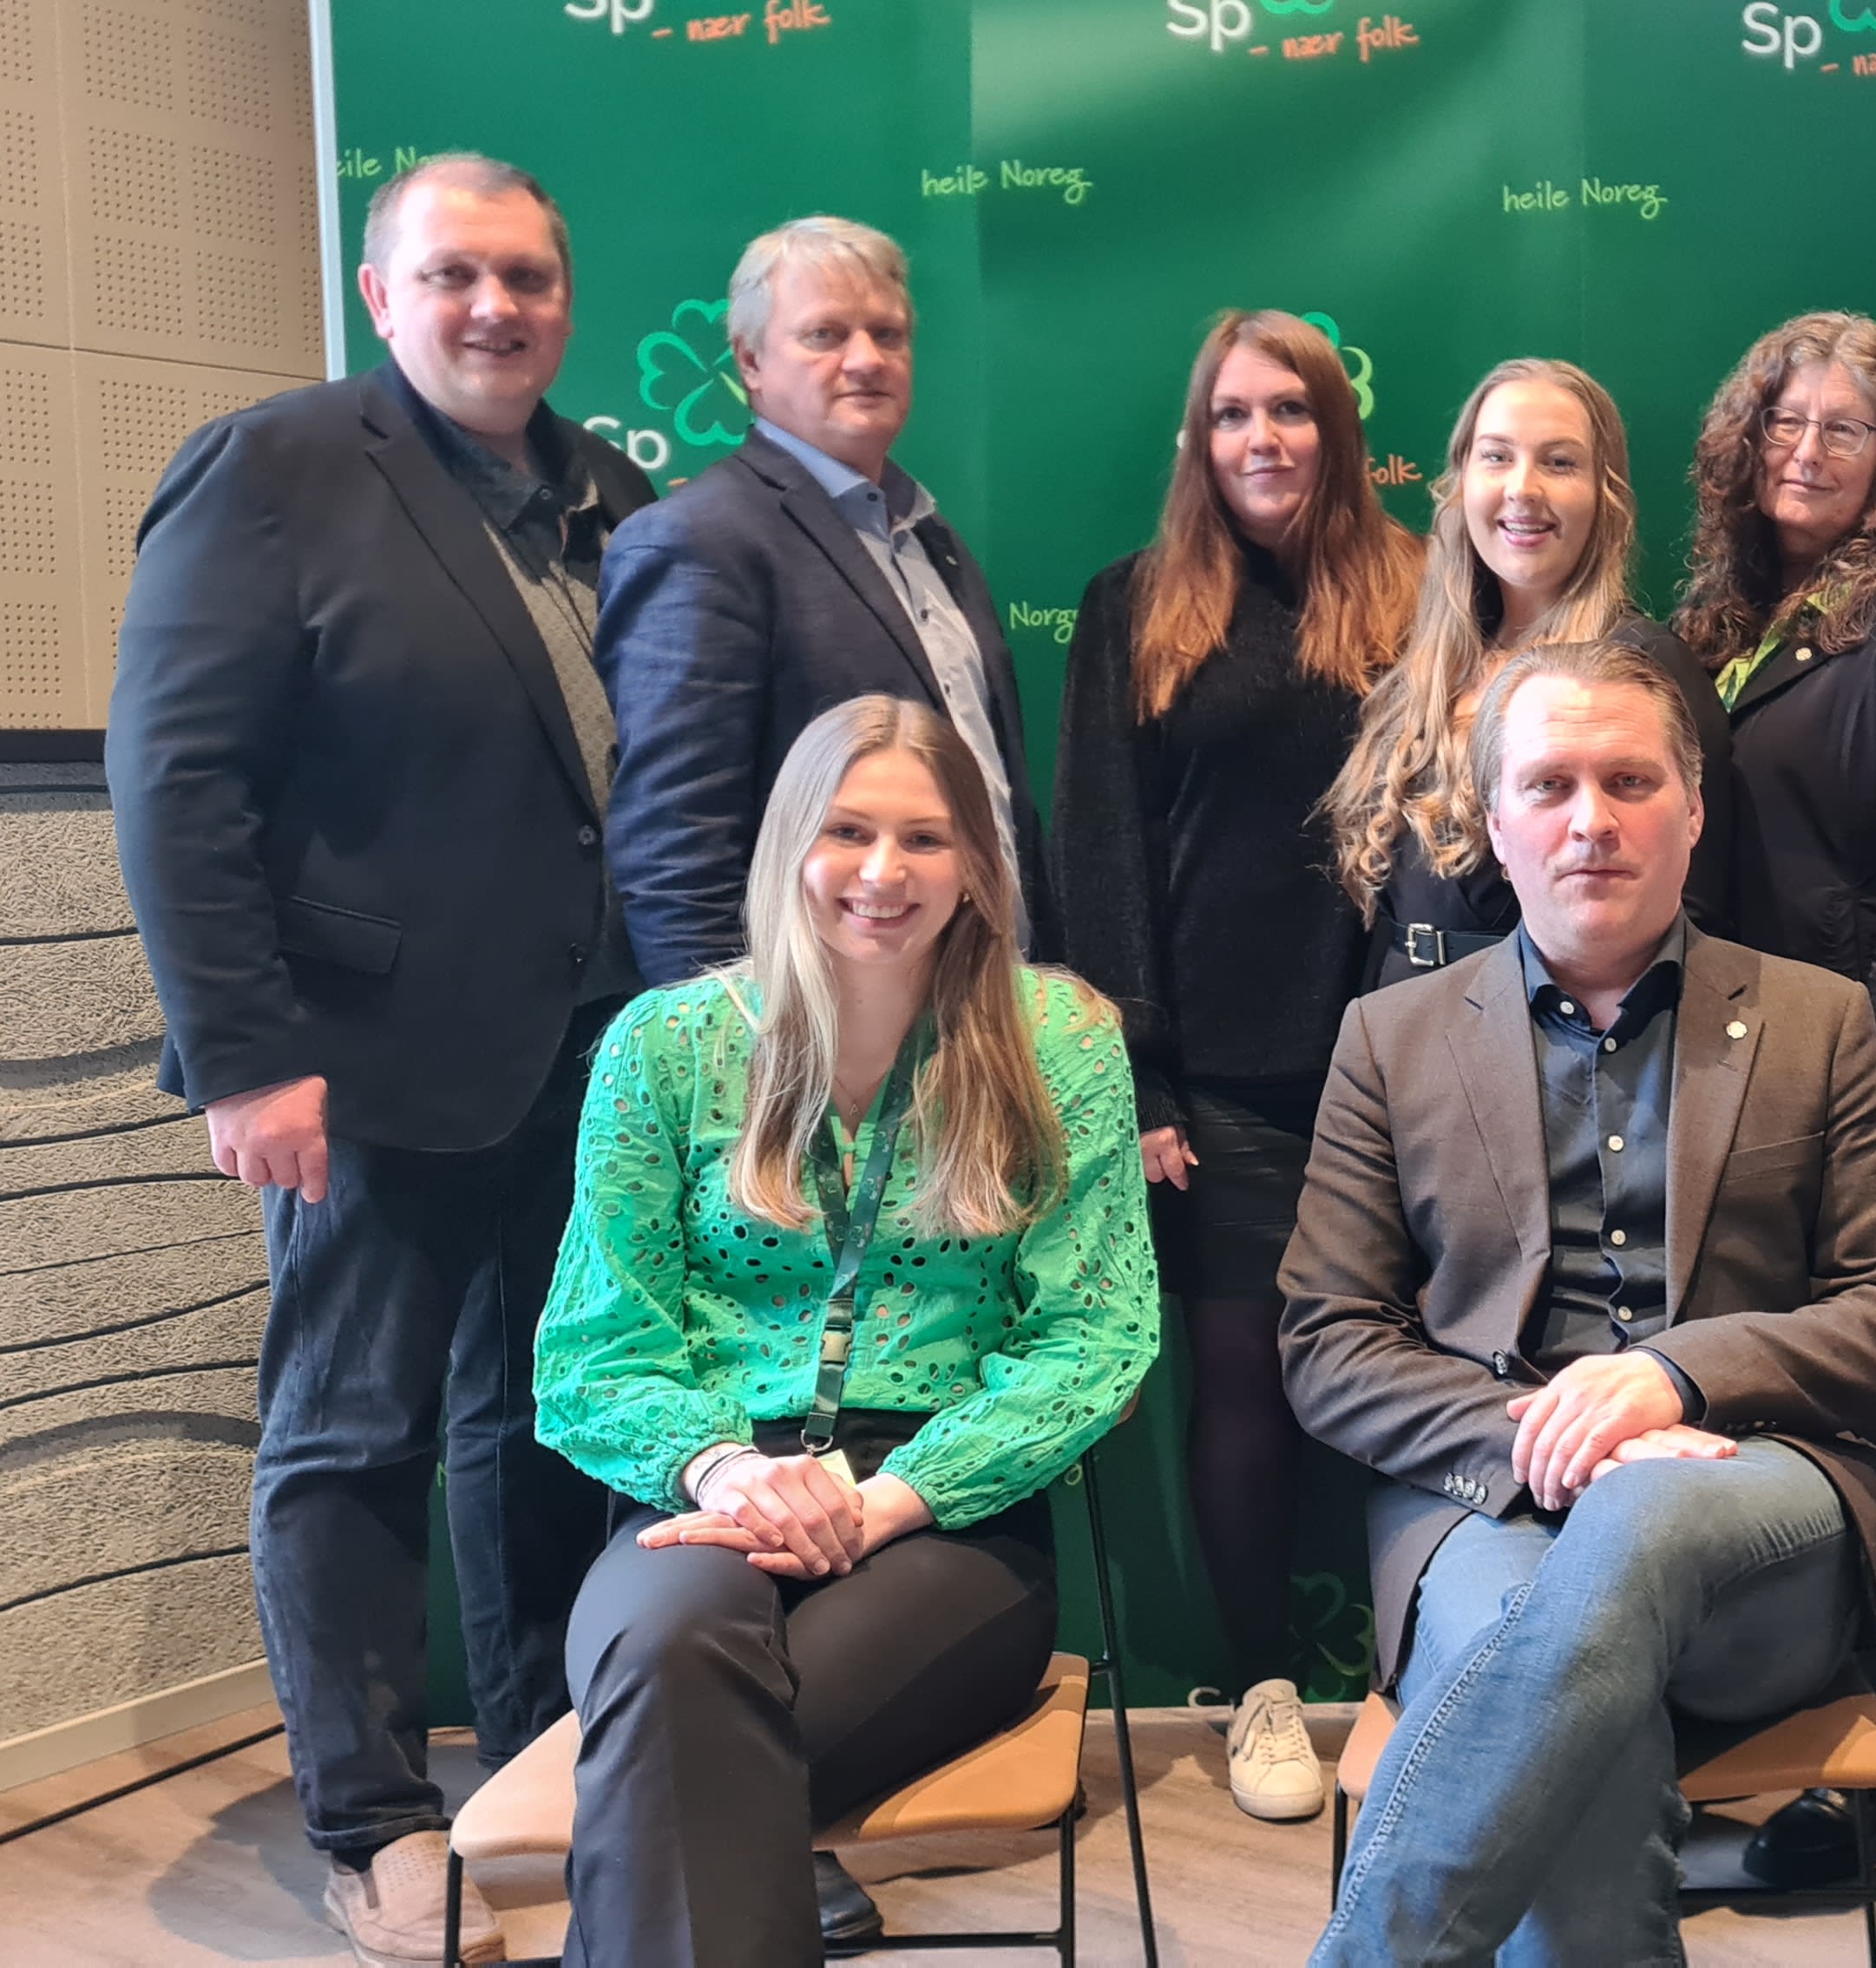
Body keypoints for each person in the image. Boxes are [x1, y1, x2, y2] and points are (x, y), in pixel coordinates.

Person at [106, 152, 647, 1964]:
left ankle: (537, 1759)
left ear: (564, 297)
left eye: (527, 277)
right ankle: (372, 1819)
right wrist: (245, 1057)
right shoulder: (272, 470)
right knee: (352, 1435)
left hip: (588, 1053)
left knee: (546, 1424)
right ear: (379, 292)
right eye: (454, 275)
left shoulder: (611, 493)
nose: (494, 308)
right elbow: (175, 778)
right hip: (355, 1065)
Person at [1284, 640, 1876, 1963]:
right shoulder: (1391, 1039)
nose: (1590, 819)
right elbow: (1329, 1344)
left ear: (1693, 812)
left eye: (1629, 781)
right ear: (1495, 822)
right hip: (1490, 1511)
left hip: (1752, 1508)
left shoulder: (1821, 1022)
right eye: (1550, 784)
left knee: (1633, 1531)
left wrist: (1675, 1379)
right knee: (1571, 1701)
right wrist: (1551, 1439)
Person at [535, 695, 1157, 1965]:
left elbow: (1094, 1340)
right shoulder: (662, 1047)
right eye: (849, 831)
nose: (884, 872)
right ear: (790, 848)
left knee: (674, 1751)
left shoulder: (1061, 1042)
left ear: (977, 862)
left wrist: (877, 1504)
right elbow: (595, 1351)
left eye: (925, 838)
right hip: (711, 1485)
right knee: (670, 1660)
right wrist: (735, 1473)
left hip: (946, 1507)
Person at [1048, 307, 1421, 1820]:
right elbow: (1097, 850)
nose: (1262, 438)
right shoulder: (1134, 603)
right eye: (1232, 414)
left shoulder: (1424, 591)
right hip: (1217, 1084)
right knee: (1246, 1386)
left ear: (1339, 430)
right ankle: (1262, 1682)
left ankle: (1425, 1678)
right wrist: (1137, 1084)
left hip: (1410, 1067)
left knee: (1431, 1379)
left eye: (1292, 409)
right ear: (1198, 440)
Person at [1671, 309, 1876, 1873]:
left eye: (1844, 430)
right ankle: (1780, 1747)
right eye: (1784, 423)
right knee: (1770, 1425)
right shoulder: (1718, 623)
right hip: (1737, 1084)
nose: (1807, 450)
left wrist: (1869, 1082)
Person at [597, 216, 1053, 987]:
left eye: (888, 334)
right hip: (817, 1022)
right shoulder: (698, 542)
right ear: (750, 361)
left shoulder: (929, 537)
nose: (866, 360)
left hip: (979, 1000)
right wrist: (728, 1040)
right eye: (825, 335)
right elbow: (676, 846)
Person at [1322, 358, 1736, 987]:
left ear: (1605, 496)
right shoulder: (1427, 667)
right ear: (1461, 482)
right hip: (1401, 1014)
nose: (1522, 488)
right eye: (1496, 457)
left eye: (1559, 462)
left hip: (1537, 1031)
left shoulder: (1643, 668)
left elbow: (1695, 916)